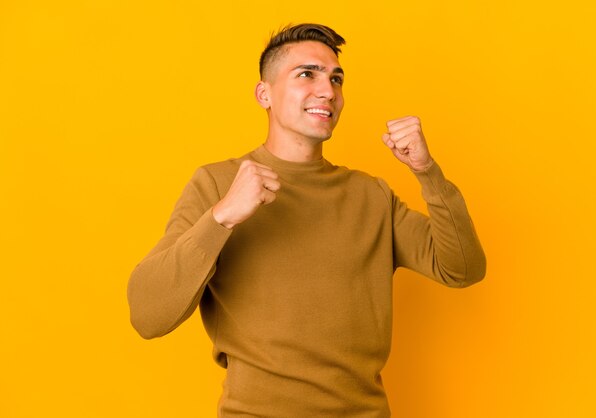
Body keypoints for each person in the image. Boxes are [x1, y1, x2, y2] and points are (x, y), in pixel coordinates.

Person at [127, 23, 486, 417]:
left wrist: (427, 172)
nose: (327, 91)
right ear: (264, 93)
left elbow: (463, 269)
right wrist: (222, 217)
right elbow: (148, 314)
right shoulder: (218, 184)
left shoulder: (371, 195)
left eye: (336, 79)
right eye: (306, 74)